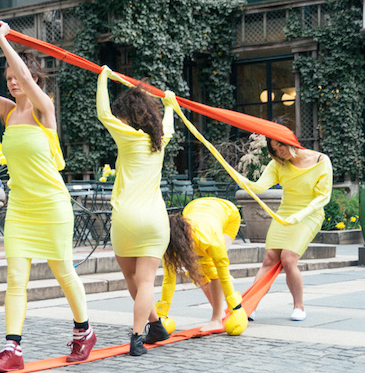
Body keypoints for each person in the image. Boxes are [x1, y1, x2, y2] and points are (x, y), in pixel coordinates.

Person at [0, 21, 95, 370]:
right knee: (15, 278)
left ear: (35, 79)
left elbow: (26, 78)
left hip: (52, 204)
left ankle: (84, 332)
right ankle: (13, 348)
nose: (12, 81)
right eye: (7, 77)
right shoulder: (8, 112)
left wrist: (7, 40)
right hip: (21, 207)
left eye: (17, 75)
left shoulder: (44, 109)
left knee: (63, 272)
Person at [96, 66, 174, 356]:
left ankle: (145, 331)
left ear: (129, 116)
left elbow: (103, 113)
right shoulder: (160, 141)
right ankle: (147, 330)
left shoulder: (127, 137)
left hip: (126, 218)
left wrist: (103, 77)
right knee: (145, 282)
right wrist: (170, 105)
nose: (118, 120)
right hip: (154, 220)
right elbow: (169, 124)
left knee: (133, 279)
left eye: (122, 117)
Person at [238, 127, 332, 322]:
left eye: (281, 145)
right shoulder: (277, 164)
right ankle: (250, 305)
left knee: (289, 259)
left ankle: (299, 306)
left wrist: (299, 216)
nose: (280, 152)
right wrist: (241, 179)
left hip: (310, 214)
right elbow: (260, 187)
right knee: (269, 259)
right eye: (275, 149)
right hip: (285, 213)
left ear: (290, 140)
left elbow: (323, 197)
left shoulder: (321, 160)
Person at [155, 197, 249, 334]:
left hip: (229, 214)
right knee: (196, 270)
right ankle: (220, 311)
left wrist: (235, 307)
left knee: (211, 268)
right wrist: (161, 314)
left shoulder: (209, 240)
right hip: (194, 207)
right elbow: (169, 279)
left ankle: (216, 319)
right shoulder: (171, 242)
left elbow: (223, 273)